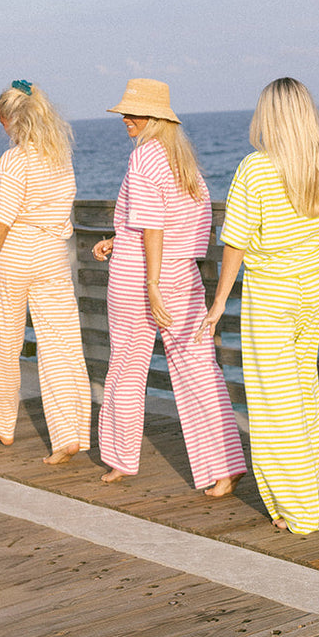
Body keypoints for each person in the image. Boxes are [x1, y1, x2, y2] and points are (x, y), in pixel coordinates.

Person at [197, 66, 319, 535]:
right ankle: (303, 494)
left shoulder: (257, 168)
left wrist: (219, 301)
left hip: (270, 297)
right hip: (314, 292)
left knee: (274, 405)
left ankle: (298, 510)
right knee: (303, 395)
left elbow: (236, 242)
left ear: (268, 116)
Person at [91, 78, 246, 495]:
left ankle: (121, 459)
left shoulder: (143, 158)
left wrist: (152, 282)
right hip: (183, 274)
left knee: (126, 366)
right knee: (199, 367)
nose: (126, 118)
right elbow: (176, 224)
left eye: (134, 113)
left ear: (154, 118)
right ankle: (226, 465)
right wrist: (119, 238)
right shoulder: (183, 162)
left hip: (141, 276)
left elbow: (154, 226)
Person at [0, 79, 91, 465]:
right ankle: (69, 434)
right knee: (62, 347)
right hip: (52, 257)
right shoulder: (57, 156)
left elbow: (3, 218)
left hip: (14, 258)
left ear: (9, 120)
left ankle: (2, 426)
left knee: (8, 347)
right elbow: (18, 179)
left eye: (1, 121)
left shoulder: (15, 160)